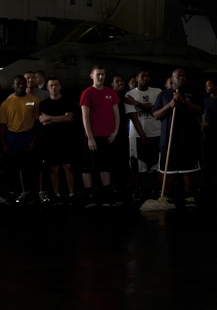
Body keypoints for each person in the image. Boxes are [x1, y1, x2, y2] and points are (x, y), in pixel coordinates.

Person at [151, 69, 202, 204]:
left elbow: (199, 109)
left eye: (184, 76)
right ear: (172, 78)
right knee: (167, 170)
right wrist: (169, 105)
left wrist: (183, 101)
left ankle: (189, 194)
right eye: (178, 76)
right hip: (168, 139)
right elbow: (156, 115)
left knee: (188, 169)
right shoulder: (163, 95)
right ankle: (166, 195)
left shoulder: (191, 93)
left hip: (187, 138)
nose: (181, 78)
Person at [79, 65, 120, 207]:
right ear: (92, 76)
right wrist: (90, 138)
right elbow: (85, 117)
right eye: (98, 74)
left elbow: (116, 114)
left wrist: (115, 132)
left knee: (105, 167)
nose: (101, 77)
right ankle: (89, 197)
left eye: (103, 74)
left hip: (107, 136)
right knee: (87, 167)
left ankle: (107, 196)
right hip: (92, 136)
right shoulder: (87, 93)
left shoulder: (111, 92)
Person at [1, 75, 40, 203]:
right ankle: (11, 193)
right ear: (13, 86)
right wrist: (4, 144)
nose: (21, 86)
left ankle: (30, 193)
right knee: (11, 167)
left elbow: (37, 123)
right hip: (12, 136)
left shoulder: (34, 101)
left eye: (23, 84)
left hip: (27, 136)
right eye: (18, 84)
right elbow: (2, 125)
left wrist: (33, 140)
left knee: (29, 167)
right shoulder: (6, 103)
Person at [124, 70, 161, 202]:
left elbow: (155, 110)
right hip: (137, 135)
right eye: (142, 76)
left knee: (157, 164)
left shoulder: (157, 92)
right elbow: (134, 118)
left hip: (156, 132)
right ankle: (136, 190)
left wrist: (138, 103)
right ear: (137, 78)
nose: (145, 78)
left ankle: (159, 190)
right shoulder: (130, 95)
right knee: (136, 164)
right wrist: (143, 136)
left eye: (147, 76)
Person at [38, 77, 76, 204]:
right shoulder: (43, 104)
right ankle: (56, 194)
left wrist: (50, 118)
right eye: (51, 85)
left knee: (68, 166)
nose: (54, 88)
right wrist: (60, 118)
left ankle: (71, 193)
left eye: (56, 85)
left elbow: (69, 118)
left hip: (66, 138)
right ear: (47, 88)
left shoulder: (67, 101)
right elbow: (43, 122)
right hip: (50, 139)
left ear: (60, 86)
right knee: (53, 168)